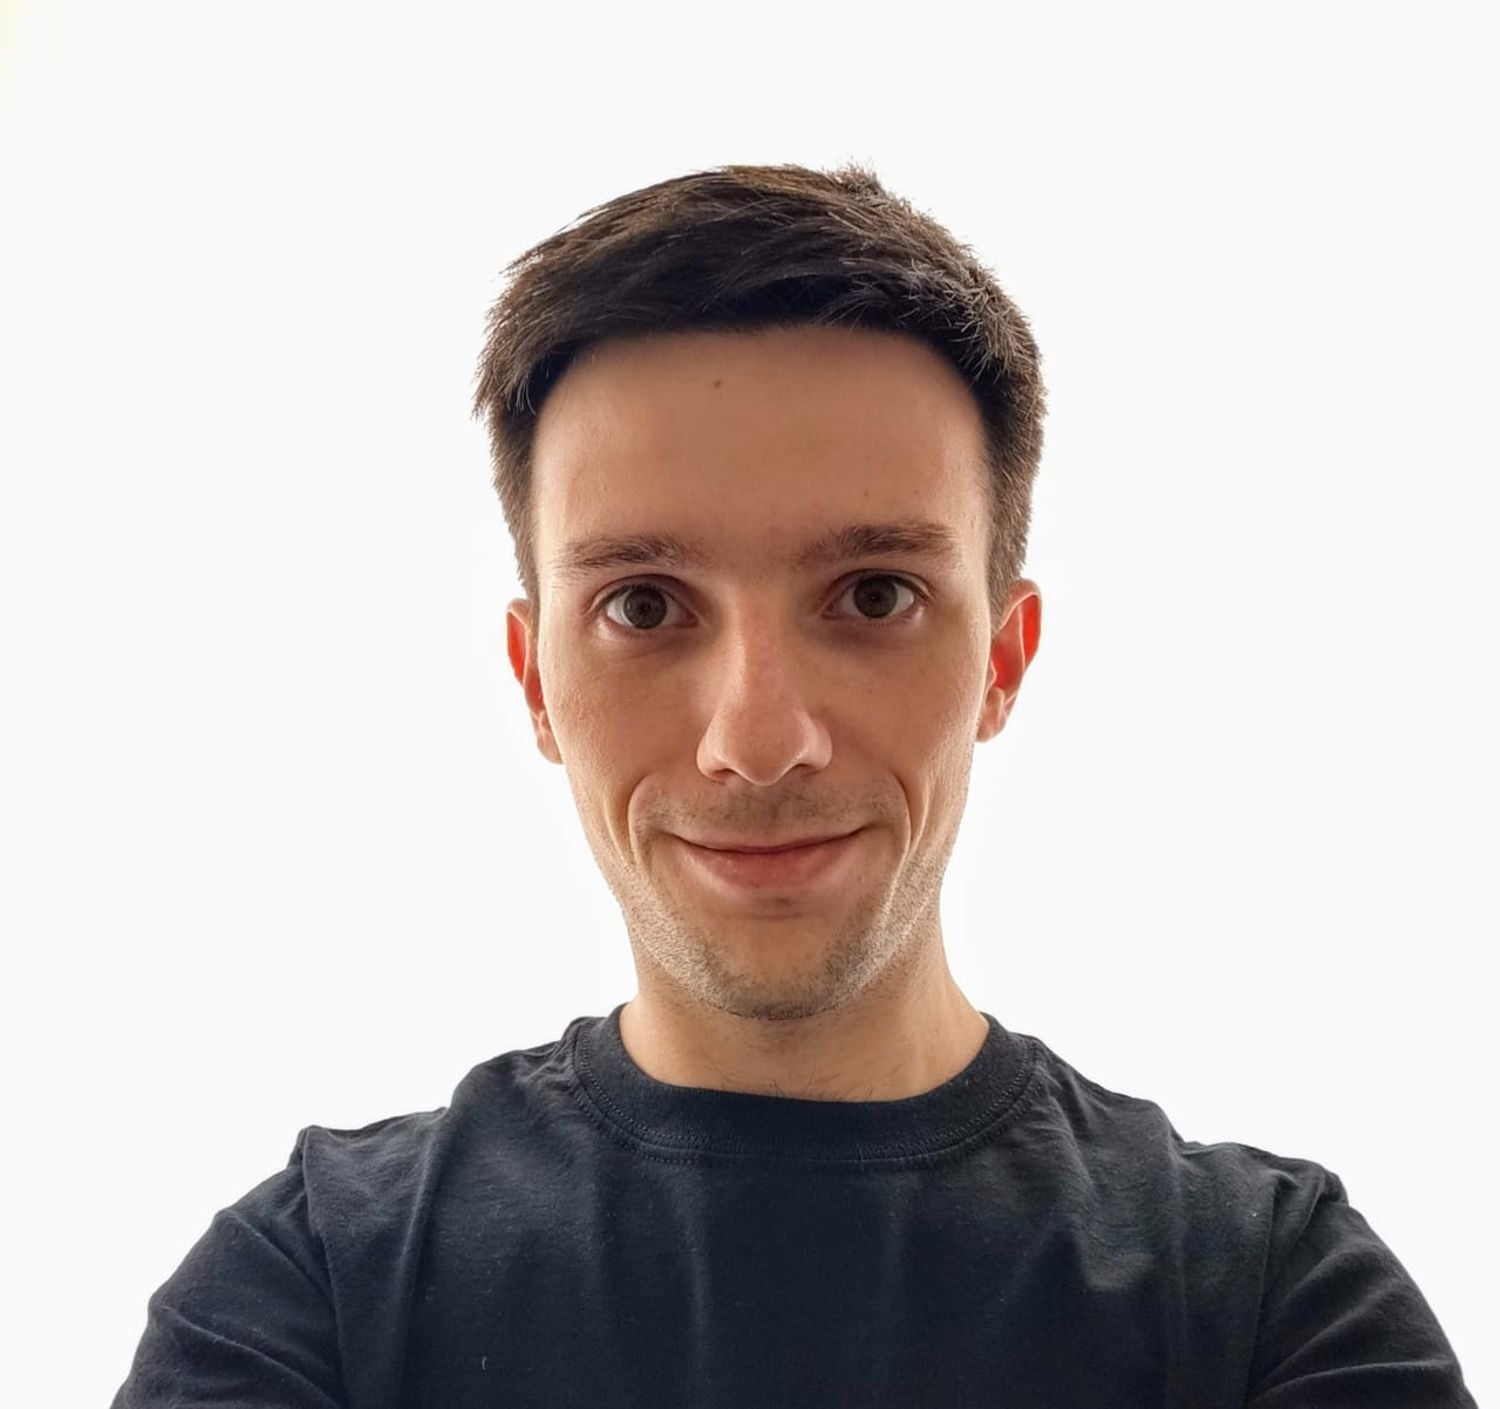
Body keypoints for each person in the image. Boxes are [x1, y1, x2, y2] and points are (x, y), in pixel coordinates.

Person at [111, 162, 1477, 1407]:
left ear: (1003, 660)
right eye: (644, 606)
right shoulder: (309, 1291)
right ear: (534, 680)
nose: (758, 742)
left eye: (873, 594)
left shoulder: (1272, 1301)